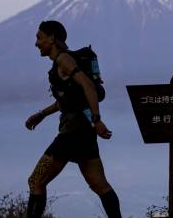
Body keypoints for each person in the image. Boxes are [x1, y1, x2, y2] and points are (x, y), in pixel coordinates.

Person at [24, 20, 121, 218]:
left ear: (52, 38)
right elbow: (68, 100)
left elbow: (88, 86)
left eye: (39, 38)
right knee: (100, 185)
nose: (36, 43)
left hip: (71, 135)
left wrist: (97, 120)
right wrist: (42, 114)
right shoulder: (61, 62)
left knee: (36, 181)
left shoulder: (63, 60)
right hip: (84, 134)